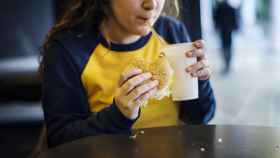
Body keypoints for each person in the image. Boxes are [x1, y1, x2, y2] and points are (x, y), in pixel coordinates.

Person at [40, 0, 216, 148]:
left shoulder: (171, 30)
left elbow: (200, 117)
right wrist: (119, 115)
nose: (151, 4)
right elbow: (61, 141)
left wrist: (199, 81)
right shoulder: (67, 51)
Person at [213, 0, 239, 74]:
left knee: (224, 47)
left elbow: (216, 19)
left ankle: (226, 63)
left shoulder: (219, 8)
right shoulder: (231, 8)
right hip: (228, 31)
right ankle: (227, 63)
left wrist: (217, 27)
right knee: (228, 47)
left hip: (223, 31)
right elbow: (235, 21)